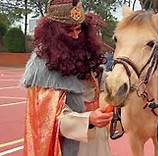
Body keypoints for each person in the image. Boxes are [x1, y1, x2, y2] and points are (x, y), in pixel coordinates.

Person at [22, 0, 113, 156]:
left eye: (79, 29)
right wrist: (88, 119)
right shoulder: (41, 66)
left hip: (96, 139)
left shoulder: (84, 53)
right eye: (69, 31)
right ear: (54, 33)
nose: (76, 36)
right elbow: (49, 120)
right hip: (68, 146)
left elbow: (102, 80)